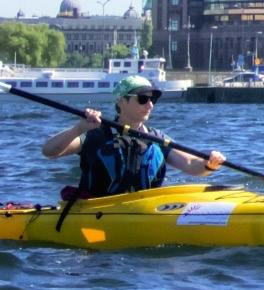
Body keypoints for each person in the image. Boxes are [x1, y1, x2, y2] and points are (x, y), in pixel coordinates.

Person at [41, 76, 223, 198]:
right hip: (97, 212)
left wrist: (209, 164)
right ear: (121, 101)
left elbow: (191, 165)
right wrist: (79, 128)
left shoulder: (156, 138)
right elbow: (49, 151)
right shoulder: (96, 134)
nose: (150, 105)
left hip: (141, 211)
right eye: (143, 99)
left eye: (153, 99)